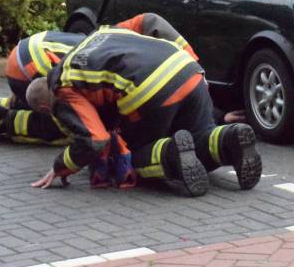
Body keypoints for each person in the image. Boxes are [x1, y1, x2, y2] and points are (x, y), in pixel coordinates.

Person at [26, 26, 261, 196]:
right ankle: (230, 140)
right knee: (202, 133)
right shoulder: (100, 34)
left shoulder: (63, 87)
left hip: (149, 88)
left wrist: (61, 166)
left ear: (47, 108)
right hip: (187, 68)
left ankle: (172, 154)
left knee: (132, 154)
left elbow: (95, 139)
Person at [0, 13, 203, 144]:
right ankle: (0, 121)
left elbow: (151, 20)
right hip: (37, 62)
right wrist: (191, 58)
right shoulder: (134, 46)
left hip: (30, 51)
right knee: (70, 126)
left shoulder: (118, 35)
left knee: (55, 104)